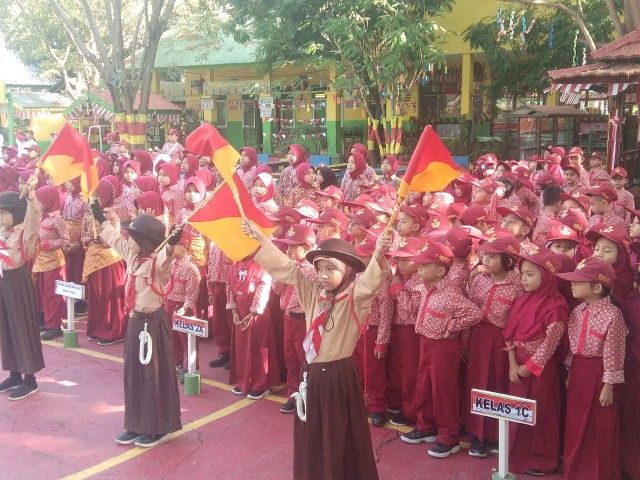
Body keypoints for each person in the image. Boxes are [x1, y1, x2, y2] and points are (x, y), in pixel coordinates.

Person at [244, 220, 392, 480]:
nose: (322, 275)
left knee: (337, 435)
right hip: (311, 374)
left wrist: (378, 253)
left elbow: (370, 284)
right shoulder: (314, 294)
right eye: (319, 268)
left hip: (337, 377)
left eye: (330, 269)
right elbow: (288, 270)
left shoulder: (355, 299)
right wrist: (260, 239)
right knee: (311, 431)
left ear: (347, 272)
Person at [94, 206, 183, 448]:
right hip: (135, 322)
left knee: (152, 375)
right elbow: (113, 239)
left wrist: (173, 241)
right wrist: (101, 219)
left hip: (152, 323)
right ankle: (136, 424)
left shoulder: (157, 263)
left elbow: (169, 256)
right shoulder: (134, 256)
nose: (127, 239)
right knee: (134, 374)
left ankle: (156, 427)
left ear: (145, 241)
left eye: (132, 236)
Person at [400, 241, 483, 458]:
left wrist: (451, 326)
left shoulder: (451, 294)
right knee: (423, 386)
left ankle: (448, 436)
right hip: (425, 343)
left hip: (444, 347)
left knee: (443, 392)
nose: (419, 268)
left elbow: (475, 313)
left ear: (439, 270)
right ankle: (425, 425)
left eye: (424, 265)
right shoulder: (423, 288)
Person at [556, 257, 626, 480]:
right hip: (579, 372)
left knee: (600, 426)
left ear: (596, 287)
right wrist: (569, 370)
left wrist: (608, 386)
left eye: (578, 282)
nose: (572, 285)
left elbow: (614, 353)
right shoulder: (577, 312)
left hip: (599, 374)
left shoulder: (613, 315)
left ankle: (599, 473)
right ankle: (575, 471)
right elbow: (572, 346)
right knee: (576, 423)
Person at [504, 246, 567, 475]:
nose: (524, 279)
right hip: (517, 366)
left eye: (530, 274)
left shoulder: (556, 306)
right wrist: (513, 364)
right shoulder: (522, 300)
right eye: (522, 273)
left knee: (542, 412)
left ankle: (542, 459)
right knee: (518, 410)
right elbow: (509, 334)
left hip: (540, 370)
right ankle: (517, 454)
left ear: (547, 275)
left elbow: (551, 343)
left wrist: (528, 368)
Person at [465, 232, 524, 457]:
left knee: (498, 385)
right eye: (484, 255)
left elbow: (517, 320)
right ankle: (477, 434)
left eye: (492, 256)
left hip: (503, 341)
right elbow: (470, 309)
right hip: (479, 337)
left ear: (508, 260)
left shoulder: (517, 285)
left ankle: (496, 434)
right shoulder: (479, 280)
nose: (485, 260)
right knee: (476, 382)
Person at [0, 177, 45, 400]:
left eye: (3, 213)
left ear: (15, 214)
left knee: (21, 328)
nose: (0, 218)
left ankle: (30, 379)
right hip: (3, 283)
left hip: (18, 282)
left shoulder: (23, 233)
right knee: (6, 328)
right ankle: (14, 373)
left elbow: (34, 218)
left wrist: (31, 196)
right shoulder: (3, 231)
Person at [272, 224, 317, 413]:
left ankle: (307, 395)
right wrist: (282, 273)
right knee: (290, 357)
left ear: (306, 247)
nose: (289, 250)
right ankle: (293, 393)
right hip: (289, 317)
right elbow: (277, 290)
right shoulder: (290, 267)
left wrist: (289, 271)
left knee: (304, 359)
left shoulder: (311, 269)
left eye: (294, 246)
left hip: (303, 318)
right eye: (288, 246)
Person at [81, 176, 127, 345]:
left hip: (109, 262)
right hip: (93, 261)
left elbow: (113, 239)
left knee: (109, 297)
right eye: (92, 196)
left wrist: (99, 238)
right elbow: (83, 236)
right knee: (96, 296)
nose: (94, 200)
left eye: (98, 196)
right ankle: (96, 328)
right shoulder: (88, 216)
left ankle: (112, 331)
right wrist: (88, 239)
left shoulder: (112, 216)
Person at [385, 236, 425, 427]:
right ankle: (404, 405)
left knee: (411, 373)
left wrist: (397, 289)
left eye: (406, 260)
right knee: (401, 370)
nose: (401, 264)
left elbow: (411, 310)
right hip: (400, 329)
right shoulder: (405, 277)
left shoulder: (419, 282)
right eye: (399, 259)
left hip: (411, 331)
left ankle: (412, 411)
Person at [163, 230, 201, 381]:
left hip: (183, 308)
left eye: (175, 245)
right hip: (170, 304)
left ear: (184, 247)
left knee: (187, 341)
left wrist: (184, 308)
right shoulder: (172, 263)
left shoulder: (191, 268)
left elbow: (192, 294)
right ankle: (176, 364)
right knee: (173, 339)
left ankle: (190, 368)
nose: (171, 248)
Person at [33, 185, 69, 340]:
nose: (37, 202)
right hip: (41, 260)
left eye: (39, 200)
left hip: (54, 262)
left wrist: (49, 244)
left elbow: (66, 240)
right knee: (43, 293)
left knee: (52, 294)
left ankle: (55, 325)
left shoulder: (57, 219)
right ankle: (48, 320)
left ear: (47, 201)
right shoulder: (42, 216)